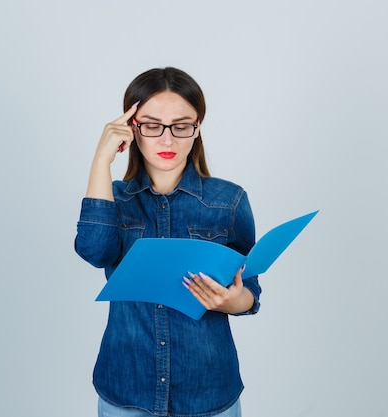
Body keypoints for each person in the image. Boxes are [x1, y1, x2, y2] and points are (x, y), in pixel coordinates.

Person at [74, 67, 261, 417]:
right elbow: (94, 251)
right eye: (151, 125)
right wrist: (101, 160)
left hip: (207, 392)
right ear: (132, 128)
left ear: (197, 128)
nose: (167, 140)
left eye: (181, 126)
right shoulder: (112, 199)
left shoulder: (229, 201)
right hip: (127, 390)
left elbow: (249, 286)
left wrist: (236, 301)